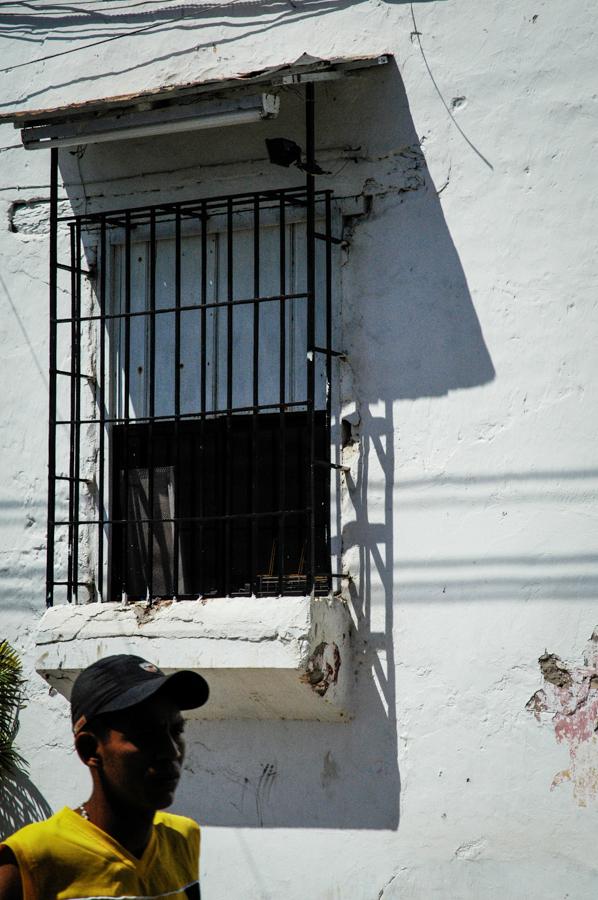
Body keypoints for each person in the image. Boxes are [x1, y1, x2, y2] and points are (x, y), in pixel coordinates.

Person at [0, 653, 209, 900]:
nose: (171, 751)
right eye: (145, 734)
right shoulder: (30, 860)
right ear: (90, 750)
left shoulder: (182, 838)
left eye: (176, 731)